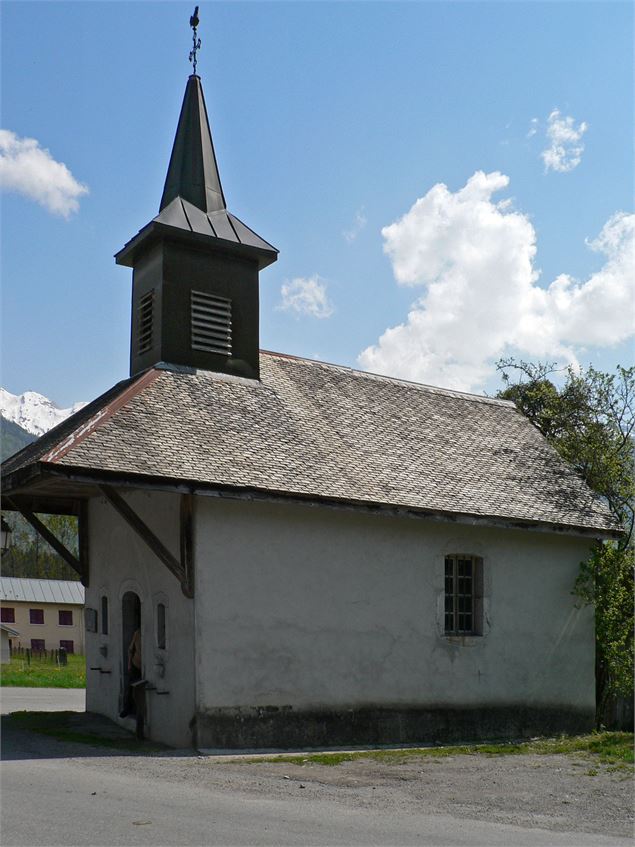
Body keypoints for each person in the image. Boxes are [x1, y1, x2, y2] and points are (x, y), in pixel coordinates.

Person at [119, 628, 142, 718]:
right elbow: (130, 650)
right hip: (136, 664)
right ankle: (127, 708)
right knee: (131, 687)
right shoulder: (137, 633)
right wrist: (129, 663)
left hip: (146, 666)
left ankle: (139, 711)